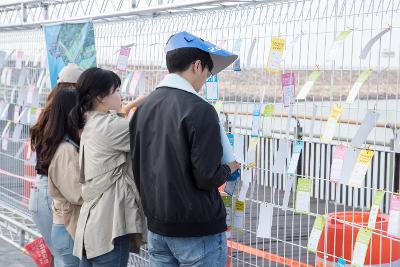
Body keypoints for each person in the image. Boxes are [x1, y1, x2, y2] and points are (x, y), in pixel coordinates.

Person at [129, 31, 241, 267]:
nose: (205, 81)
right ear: (197, 65)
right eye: (208, 74)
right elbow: (206, 176)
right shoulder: (200, 109)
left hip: (158, 226)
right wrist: (229, 168)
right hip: (197, 228)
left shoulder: (144, 108)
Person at [69, 68, 147, 267]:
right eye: (117, 90)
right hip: (109, 227)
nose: (121, 95)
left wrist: (131, 106)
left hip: (93, 228)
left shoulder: (92, 122)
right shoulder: (109, 127)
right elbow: (151, 136)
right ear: (101, 97)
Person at [29, 63, 83, 267]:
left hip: (41, 188)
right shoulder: (64, 114)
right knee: (66, 259)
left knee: (59, 256)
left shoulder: (47, 112)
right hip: (53, 193)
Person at [42, 88, 81, 267]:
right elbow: (77, 194)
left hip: (66, 228)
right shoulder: (66, 149)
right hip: (68, 230)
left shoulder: (64, 143)